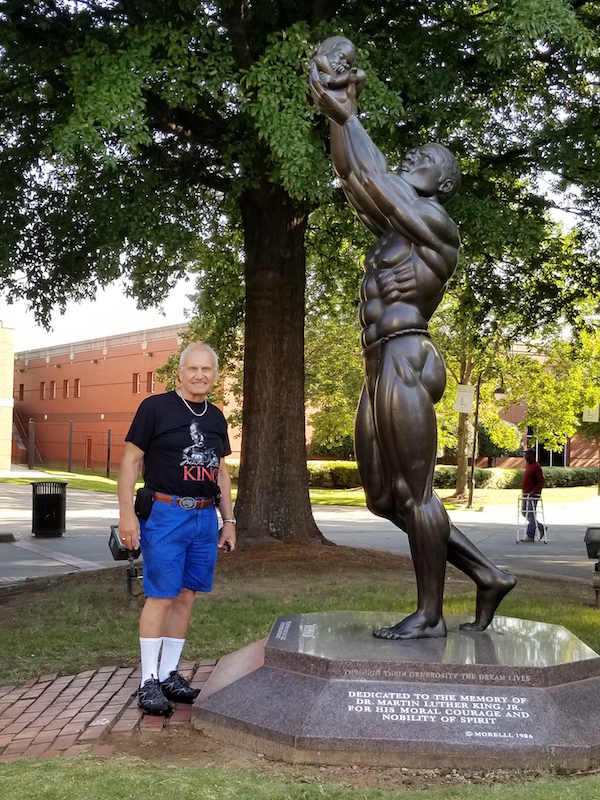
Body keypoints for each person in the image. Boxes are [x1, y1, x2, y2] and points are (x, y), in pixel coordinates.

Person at [309, 44, 515, 640]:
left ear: (442, 182)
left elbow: (376, 176)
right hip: (377, 364)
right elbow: (354, 176)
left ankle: (429, 614)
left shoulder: (435, 225)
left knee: (418, 493)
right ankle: (486, 573)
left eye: (423, 158)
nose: (411, 159)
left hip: (407, 355)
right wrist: (335, 116)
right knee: (384, 498)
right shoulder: (395, 224)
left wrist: (349, 113)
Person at [118, 342, 236, 715]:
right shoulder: (155, 408)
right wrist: (126, 514)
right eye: (193, 369)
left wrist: (228, 521)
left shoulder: (217, 417)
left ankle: (170, 674)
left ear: (215, 375)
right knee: (161, 596)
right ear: (180, 372)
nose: (200, 375)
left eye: (207, 370)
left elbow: (220, 472)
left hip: (203, 517)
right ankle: (148, 680)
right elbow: (129, 461)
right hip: (165, 514)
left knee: (186, 597)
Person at [520, 447, 545, 541]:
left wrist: (533, 492)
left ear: (531, 455)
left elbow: (541, 482)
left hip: (532, 496)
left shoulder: (536, 466)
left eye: (526, 454)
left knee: (530, 514)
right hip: (525, 494)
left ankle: (530, 535)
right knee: (524, 512)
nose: (525, 456)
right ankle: (541, 527)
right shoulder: (529, 466)